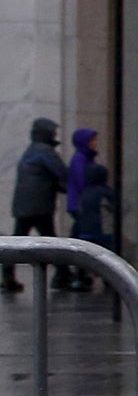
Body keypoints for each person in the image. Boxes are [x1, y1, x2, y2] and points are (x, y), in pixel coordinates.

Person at [5, 118, 68, 293]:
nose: (55, 135)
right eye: (53, 132)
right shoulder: (46, 152)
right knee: (51, 241)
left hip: (23, 206)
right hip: (40, 207)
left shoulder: (30, 151)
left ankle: (8, 275)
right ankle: (64, 274)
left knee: (17, 241)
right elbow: (61, 173)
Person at [59, 128, 101, 291]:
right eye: (92, 141)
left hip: (82, 204)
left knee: (78, 239)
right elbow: (83, 181)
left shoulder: (86, 158)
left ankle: (74, 274)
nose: (95, 144)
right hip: (81, 205)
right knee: (80, 241)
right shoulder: (80, 158)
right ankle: (77, 274)